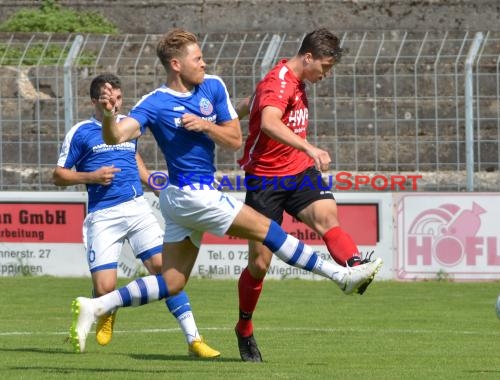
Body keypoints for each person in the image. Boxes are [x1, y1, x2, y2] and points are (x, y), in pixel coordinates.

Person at [68, 28, 383, 356]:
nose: (204, 63)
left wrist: (206, 125)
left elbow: (234, 139)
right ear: (176, 64)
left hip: (184, 200)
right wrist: (107, 118)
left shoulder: (213, 87)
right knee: (269, 231)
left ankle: (98, 305)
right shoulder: (156, 102)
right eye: (197, 58)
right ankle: (340, 276)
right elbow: (115, 136)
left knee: (172, 282)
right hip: (191, 195)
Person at [233, 28, 378, 362]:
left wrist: (227, 116)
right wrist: (310, 146)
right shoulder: (278, 81)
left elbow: (252, 103)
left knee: (327, 217)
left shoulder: (294, 82)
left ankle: (354, 267)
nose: (325, 75)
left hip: (298, 172)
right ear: (308, 56)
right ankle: (244, 327)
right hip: (265, 181)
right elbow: (269, 121)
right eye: (324, 67)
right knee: (259, 264)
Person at [55, 73, 220, 358]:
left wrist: (160, 188)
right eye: (109, 99)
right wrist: (91, 176)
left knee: (166, 271)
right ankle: (105, 306)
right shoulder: (81, 132)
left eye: (119, 98)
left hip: (137, 209)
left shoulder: (129, 127)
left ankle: (194, 339)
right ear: (95, 100)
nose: (115, 104)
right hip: (103, 215)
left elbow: (138, 165)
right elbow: (58, 175)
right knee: (105, 286)